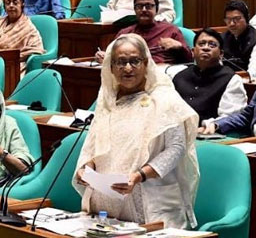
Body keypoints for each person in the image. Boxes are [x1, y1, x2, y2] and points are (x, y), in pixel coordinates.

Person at [74, 34, 200, 229]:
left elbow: (176, 148)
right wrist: (86, 167)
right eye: (120, 62)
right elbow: (94, 143)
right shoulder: (108, 101)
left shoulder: (164, 98)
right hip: (106, 210)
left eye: (134, 61)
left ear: (146, 63)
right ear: (111, 67)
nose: (127, 68)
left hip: (151, 207)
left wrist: (140, 175)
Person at [173, 28, 247, 127]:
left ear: (221, 54)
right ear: (193, 51)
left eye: (212, 45)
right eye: (201, 44)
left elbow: (230, 117)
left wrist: (211, 126)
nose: (206, 48)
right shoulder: (179, 77)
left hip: (211, 134)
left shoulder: (231, 79)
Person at [97, 0, 191, 65]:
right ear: (134, 9)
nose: (144, 10)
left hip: (162, 71)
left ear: (157, 9)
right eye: (139, 6)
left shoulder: (170, 30)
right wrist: (104, 57)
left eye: (148, 6)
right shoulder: (125, 33)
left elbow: (189, 60)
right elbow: (112, 56)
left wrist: (179, 47)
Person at [221, 0, 256, 81]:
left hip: (245, 84)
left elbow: (254, 74)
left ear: (247, 18)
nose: (232, 23)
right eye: (228, 19)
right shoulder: (222, 38)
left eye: (237, 19)